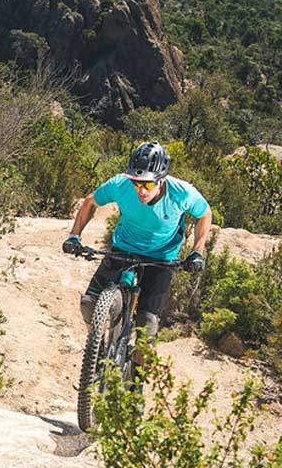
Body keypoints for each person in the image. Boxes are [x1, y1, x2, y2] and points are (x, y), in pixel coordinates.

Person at [62, 141, 211, 358]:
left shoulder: (182, 193)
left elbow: (204, 214)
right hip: (123, 248)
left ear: (161, 180)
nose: (141, 190)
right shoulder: (121, 185)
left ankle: (135, 383)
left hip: (161, 258)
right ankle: (98, 354)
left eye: (148, 185)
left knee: (147, 324)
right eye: (136, 183)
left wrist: (197, 251)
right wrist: (74, 236)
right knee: (89, 304)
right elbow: (90, 202)